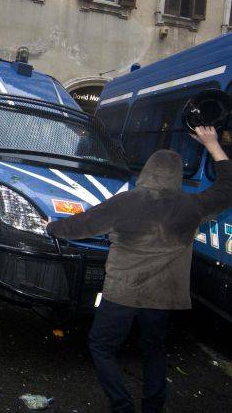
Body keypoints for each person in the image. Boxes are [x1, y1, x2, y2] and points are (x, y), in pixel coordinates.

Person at [45, 126, 232, 413]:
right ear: (176, 177)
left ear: (147, 171)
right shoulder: (192, 206)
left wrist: (51, 227)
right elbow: (226, 187)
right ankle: (153, 407)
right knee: (154, 349)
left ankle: (122, 406)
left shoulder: (125, 202)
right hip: (162, 297)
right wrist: (213, 145)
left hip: (122, 292)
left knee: (101, 346)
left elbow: (79, 226)